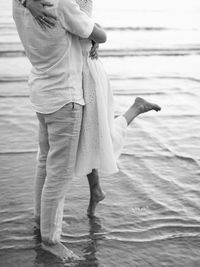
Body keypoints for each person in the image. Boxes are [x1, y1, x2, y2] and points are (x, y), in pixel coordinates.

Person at [13, 0, 161, 261]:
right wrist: (94, 35)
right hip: (65, 98)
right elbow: (101, 34)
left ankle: (41, 220)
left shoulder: (20, 5)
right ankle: (50, 240)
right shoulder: (61, 5)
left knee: (44, 164)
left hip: (40, 93)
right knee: (58, 175)